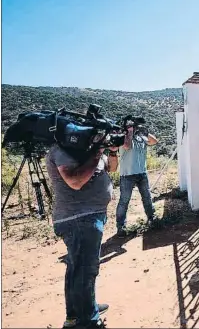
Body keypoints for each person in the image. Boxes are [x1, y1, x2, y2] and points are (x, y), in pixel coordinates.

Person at [46, 141, 119, 329]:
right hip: (78, 219)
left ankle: (77, 314)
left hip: (90, 216)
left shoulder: (88, 152)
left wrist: (111, 152)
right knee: (85, 271)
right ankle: (88, 321)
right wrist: (97, 152)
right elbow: (75, 181)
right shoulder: (63, 151)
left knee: (77, 269)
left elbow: (111, 168)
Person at [115, 124, 158, 236]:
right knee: (124, 201)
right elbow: (127, 146)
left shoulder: (141, 137)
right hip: (127, 175)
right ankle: (121, 227)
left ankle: (152, 218)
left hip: (142, 173)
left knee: (147, 197)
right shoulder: (124, 137)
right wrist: (129, 131)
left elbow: (154, 142)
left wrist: (144, 132)